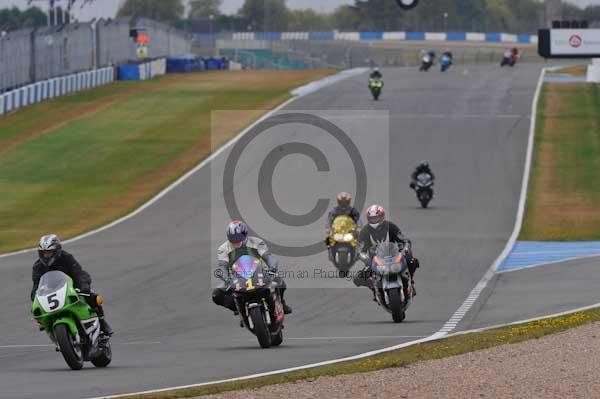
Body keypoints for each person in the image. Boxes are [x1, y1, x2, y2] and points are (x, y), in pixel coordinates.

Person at [31, 234, 113, 336]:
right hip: (52, 292)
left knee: (93, 297)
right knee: (38, 314)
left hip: (72, 286)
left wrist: (83, 286)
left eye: (49, 252)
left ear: (57, 251)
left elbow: (77, 272)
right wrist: (34, 297)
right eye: (43, 253)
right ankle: (53, 332)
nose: (46, 256)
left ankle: (102, 322)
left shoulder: (67, 258)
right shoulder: (38, 266)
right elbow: (36, 284)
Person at [212, 220, 292, 315]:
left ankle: (281, 304)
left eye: (238, 238)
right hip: (236, 277)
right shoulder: (223, 248)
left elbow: (268, 257)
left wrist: (272, 267)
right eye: (232, 238)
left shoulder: (257, 242)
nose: (236, 241)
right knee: (216, 295)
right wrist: (226, 278)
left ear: (245, 234)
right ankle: (238, 308)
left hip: (259, 272)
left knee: (280, 281)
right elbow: (223, 266)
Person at [353, 205, 420, 302]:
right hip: (375, 261)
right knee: (358, 278)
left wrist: (405, 248)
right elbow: (359, 248)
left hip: (394, 256)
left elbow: (403, 239)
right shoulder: (365, 231)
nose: (374, 220)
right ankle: (375, 290)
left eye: (376, 218)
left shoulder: (390, 226)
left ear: (382, 217)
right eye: (372, 218)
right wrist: (362, 256)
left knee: (412, 261)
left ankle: (410, 282)